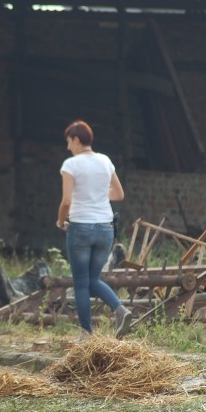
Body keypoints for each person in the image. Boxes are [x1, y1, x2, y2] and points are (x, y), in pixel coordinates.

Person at [56, 120, 132, 339]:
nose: (68, 147)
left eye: (69, 142)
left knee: (80, 282)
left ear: (77, 140)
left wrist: (61, 222)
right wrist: (97, 194)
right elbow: (118, 194)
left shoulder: (71, 164)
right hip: (105, 229)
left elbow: (66, 202)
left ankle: (86, 333)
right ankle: (120, 310)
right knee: (93, 280)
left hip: (80, 228)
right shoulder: (105, 161)